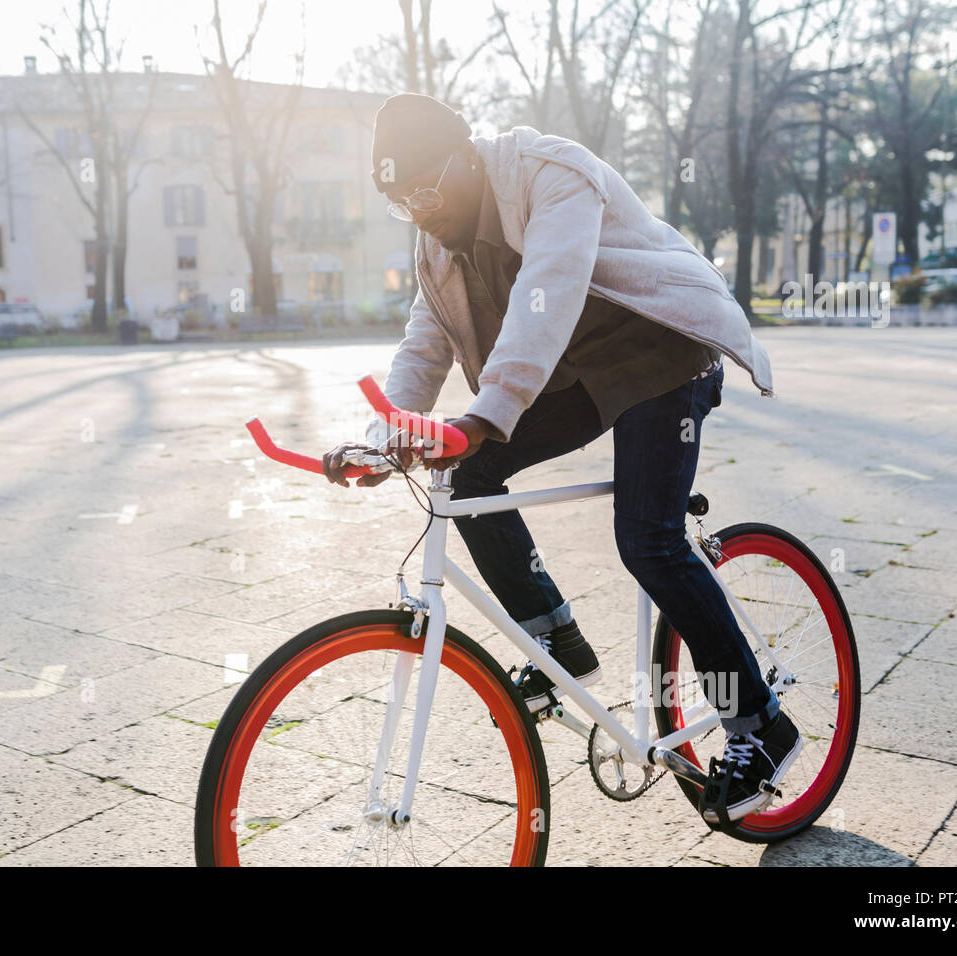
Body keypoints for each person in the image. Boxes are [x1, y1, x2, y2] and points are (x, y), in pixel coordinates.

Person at [321, 92, 798, 825]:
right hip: (575, 376)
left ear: (466, 154)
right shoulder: (434, 238)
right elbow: (426, 339)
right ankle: (558, 644)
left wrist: (486, 412)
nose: (418, 211)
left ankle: (760, 722)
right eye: (399, 202)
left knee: (648, 539)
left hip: (662, 352)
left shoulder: (549, 174)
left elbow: (548, 291)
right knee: (468, 472)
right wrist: (386, 436)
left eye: (424, 189)